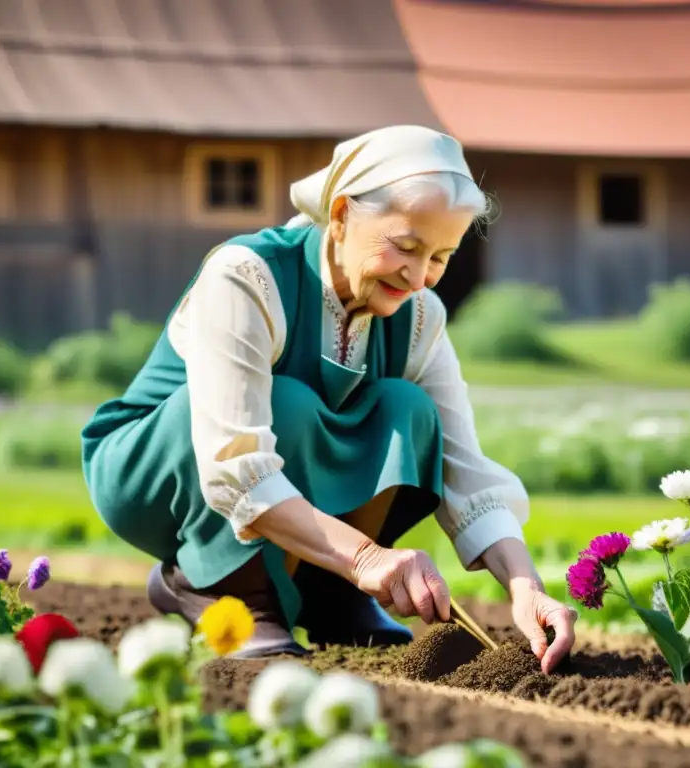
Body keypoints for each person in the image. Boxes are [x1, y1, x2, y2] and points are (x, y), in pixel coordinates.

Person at [81, 125, 577, 674]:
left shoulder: (420, 317)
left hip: (273, 468)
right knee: (288, 402)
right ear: (340, 216)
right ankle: (222, 586)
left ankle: (331, 592)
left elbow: (464, 468)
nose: (419, 276)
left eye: (442, 256)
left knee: (408, 411)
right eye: (406, 247)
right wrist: (367, 558)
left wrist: (526, 587)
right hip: (155, 470)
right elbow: (233, 460)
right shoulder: (247, 276)